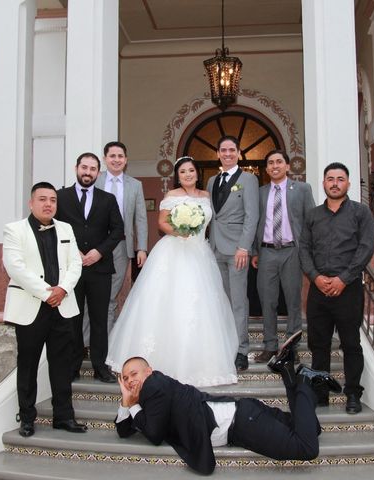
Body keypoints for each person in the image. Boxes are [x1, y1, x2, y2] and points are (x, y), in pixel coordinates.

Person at [106, 156, 238, 387]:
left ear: (197, 173)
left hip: (200, 254)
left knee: (200, 306)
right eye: (183, 172)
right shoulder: (171, 196)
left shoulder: (206, 196)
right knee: (166, 303)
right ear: (178, 176)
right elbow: (162, 223)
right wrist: (180, 230)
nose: (188, 175)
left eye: (191, 171)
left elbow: (211, 225)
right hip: (174, 250)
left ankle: (199, 364)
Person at [115, 346, 341, 475]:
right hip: (243, 413)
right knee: (313, 428)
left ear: (148, 371)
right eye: (125, 379)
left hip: (243, 423)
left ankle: (304, 381)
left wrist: (133, 403)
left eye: (134, 374)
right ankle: (287, 372)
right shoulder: (150, 393)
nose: (130, 381)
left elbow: (153, 435)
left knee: (307, 448)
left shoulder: (154, 385)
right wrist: (126, 401)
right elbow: (124, 430)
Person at [2, 182, 86, 437]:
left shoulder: (66, 228)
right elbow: (15, 267)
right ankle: (27, 418)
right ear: (31, 203)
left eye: (52, 200)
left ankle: (64, 416)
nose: (48, 204)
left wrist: (62, 290)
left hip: (62, 306)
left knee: (62, 364)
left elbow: (75, 264)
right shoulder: (14, 230)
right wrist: (46, 293)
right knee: (27, 365)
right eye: (42, 199)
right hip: (31, 306)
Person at [300, 162, 374, 414]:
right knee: (318, 344)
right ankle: (320, 393)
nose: (334, 183)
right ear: (323, 183)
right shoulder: (312, 215)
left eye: (340, 179)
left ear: (348, 183)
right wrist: (314, 277)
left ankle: (352, 393)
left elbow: (365, 248)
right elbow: (304, 249)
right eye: (330, 179)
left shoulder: (360, 213)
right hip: (318, 289)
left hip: (348, 289)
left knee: (351, 343)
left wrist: (344, 278)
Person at [55, 153, 125, 383]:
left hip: (99, 269)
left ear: (98, 171)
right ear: (76, 168)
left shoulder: (108, 199)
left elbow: (117, 230)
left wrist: (99, 252)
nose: (88, 172)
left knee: (99, 319)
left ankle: (100, 368)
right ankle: (73, 366)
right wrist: (73, 252)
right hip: (70, 269)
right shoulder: (60, 197)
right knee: (72, 319)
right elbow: (53, 227)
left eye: (93, 169)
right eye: (84, 167)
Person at [251, 150, 315, 363]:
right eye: (270, 163)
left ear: (287, 166)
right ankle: (270, 346)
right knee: (267, 300)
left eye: (279, 162)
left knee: (293, 300)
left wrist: (307, 252)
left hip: (292, 251)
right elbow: (253, 223)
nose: (275, 166)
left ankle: (290, 346)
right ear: (267, 168)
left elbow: (310, 222)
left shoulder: (302, 189)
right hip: (267, 251)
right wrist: (254, 250)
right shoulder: (260, 192)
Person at [206, 136, 259, 371]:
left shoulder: (248, 179)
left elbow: (252, 215)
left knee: (238, 301)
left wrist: (244, 247)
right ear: (217, 153)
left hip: (237, 249)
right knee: (222, 301)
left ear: (239, 153)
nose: (227, 153)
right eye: (223, 150)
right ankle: (225, 345)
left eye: (232, 150)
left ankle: (241, 349)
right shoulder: (211, 181)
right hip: (215, 247)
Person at [95, 141, 148, 332]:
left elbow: (140, 218)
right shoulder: (95, 180)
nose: (116, 160)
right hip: (95, 246)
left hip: (121, 246)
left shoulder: (135, 185)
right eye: (112, 156)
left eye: (120, 156)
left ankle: (106, 342)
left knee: (110, 295)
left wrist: (141, 247)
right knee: (92, 294)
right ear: (105, 159)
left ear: (126, 160)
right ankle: (87, 341)